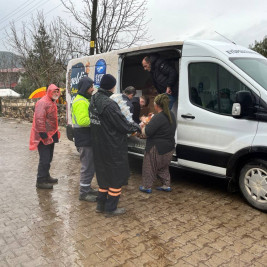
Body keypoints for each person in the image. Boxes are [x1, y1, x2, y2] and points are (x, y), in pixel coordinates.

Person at [89, 74, 141, 217]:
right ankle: (111, 208)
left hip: (98, 145)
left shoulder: (93, 99)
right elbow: (122, 125)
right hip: (113, 146)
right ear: (112, 86)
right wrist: (137, 126)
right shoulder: (109, 104)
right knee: (116, 178)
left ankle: (100, 205)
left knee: (103, 175)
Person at [139, 94, 176, 193]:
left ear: (156, 105)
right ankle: (166, 185)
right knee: (163, 167)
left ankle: (147, 187)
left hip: (156, 148)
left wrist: (143, 123)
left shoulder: (158, 117)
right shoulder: (171, 115)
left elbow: (147, 132)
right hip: (169, 147)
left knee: (149, 167)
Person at [71, 76, 97, 202]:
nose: (93, 89)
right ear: (86, 87)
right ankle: (84, 193)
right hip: (84, 138)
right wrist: (97, 120)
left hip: (86, 138)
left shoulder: (83, 99)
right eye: (91, 87)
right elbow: (82, 121)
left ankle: (87, 188)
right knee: (87, 166)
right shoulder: (81, 101)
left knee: (90, 166)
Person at [29, 84, 61, 189]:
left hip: (51, 134)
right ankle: (41, 181)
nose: (56, 94)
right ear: (49, 92)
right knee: (45, 158)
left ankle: (46, 176)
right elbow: (39, 119)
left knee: (49, 157)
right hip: (43, 136)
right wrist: (43, 133)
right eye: (54, 92)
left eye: (57, 92)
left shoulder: (52, 102)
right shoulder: (43, 102)